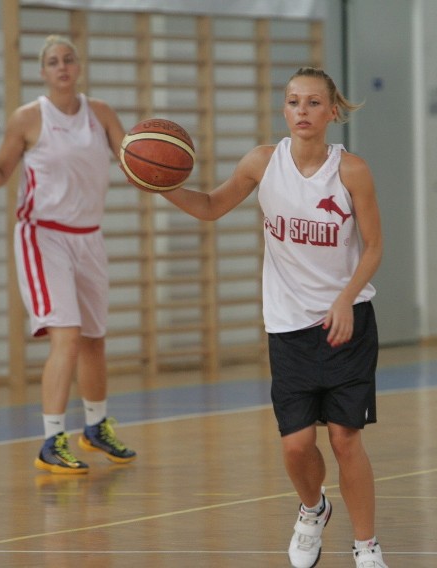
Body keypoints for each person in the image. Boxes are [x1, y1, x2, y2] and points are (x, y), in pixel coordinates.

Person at [157, 67, 387, 568]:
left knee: (346, 440)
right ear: (283, 110)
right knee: (295, 447)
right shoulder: (263, 163)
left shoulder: (352, 172)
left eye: (312, 103)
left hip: (347, 321)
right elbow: (213, 205)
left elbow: (374, 247)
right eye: (292, 102)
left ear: (331, 112)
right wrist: (162, 185)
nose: (301, 111)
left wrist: (347, 298)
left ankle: (367, 548)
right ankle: (313, 509)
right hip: (287, 326)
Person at [0, 35, 136, 474]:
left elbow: (132, 160)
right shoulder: (28, 118)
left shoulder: (102, 113)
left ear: (79, 66)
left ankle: (94, 429)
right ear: (43, 72)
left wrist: (157, 161)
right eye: (53, 61)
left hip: (88, 236)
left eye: (68, 59)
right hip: (43, 235)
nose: (62, 67)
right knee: (66, 335)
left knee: (94, 340)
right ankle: (52, 439)